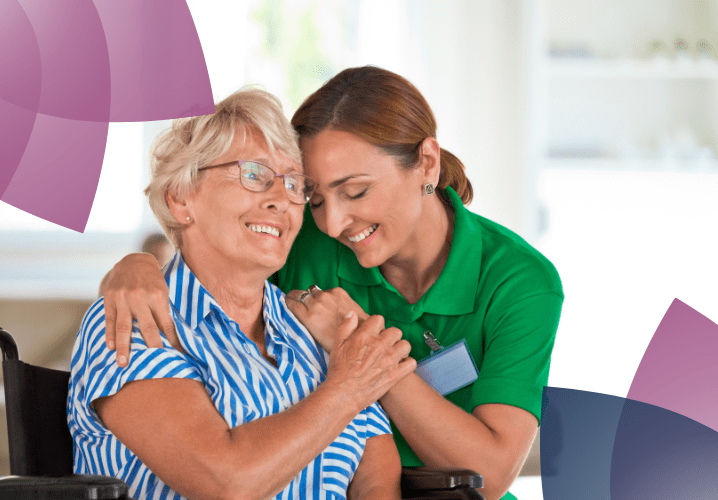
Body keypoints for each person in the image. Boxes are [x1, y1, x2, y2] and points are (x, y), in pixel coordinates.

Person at [101, 67, 563, 500]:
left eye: (356, 191)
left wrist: (360, 345)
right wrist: (136, 264)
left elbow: (491, 473)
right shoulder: (303, 241)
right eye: (315, 198)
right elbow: (209, 255)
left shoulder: (519, 281)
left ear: (426, 163)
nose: (334, 222)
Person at [68, 87, 415, 500]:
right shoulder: (135, 320)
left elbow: (376, 456)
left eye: (293, 184)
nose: (279, 201)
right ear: (179, 199)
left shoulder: (306, 325)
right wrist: (346, 388)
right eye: (253, 174)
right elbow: (227, 483)